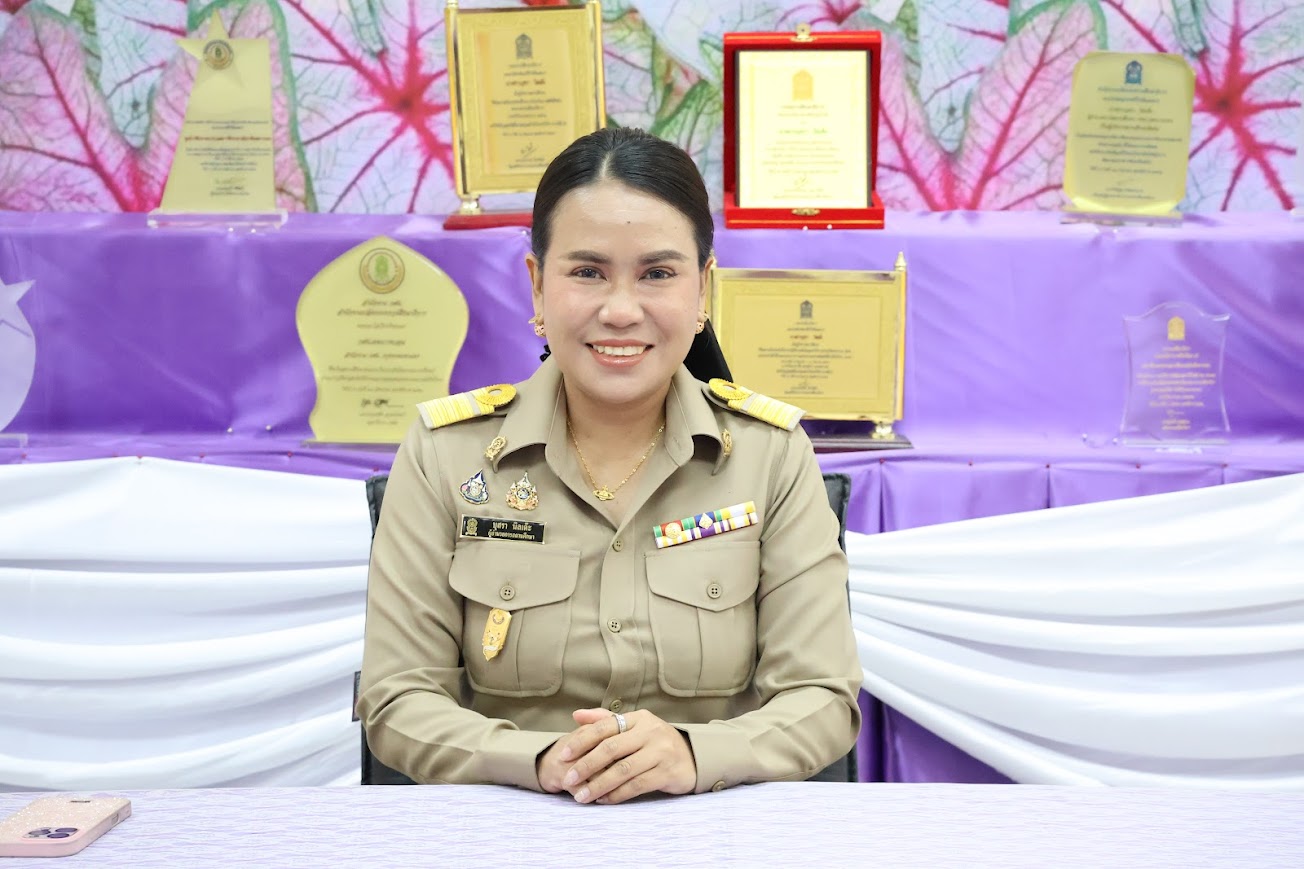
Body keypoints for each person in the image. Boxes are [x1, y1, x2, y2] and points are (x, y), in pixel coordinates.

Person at [356, 127, 861, 804]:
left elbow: (822, 697)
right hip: (510, 824)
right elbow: (397, 698)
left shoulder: (770, 454)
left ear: (704, 290)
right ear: (537, 287)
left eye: (658, 274)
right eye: (587, 272)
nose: (621, 310)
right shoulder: (446, 454)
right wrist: (543, 760)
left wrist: (691, 753)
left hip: (712, 825)